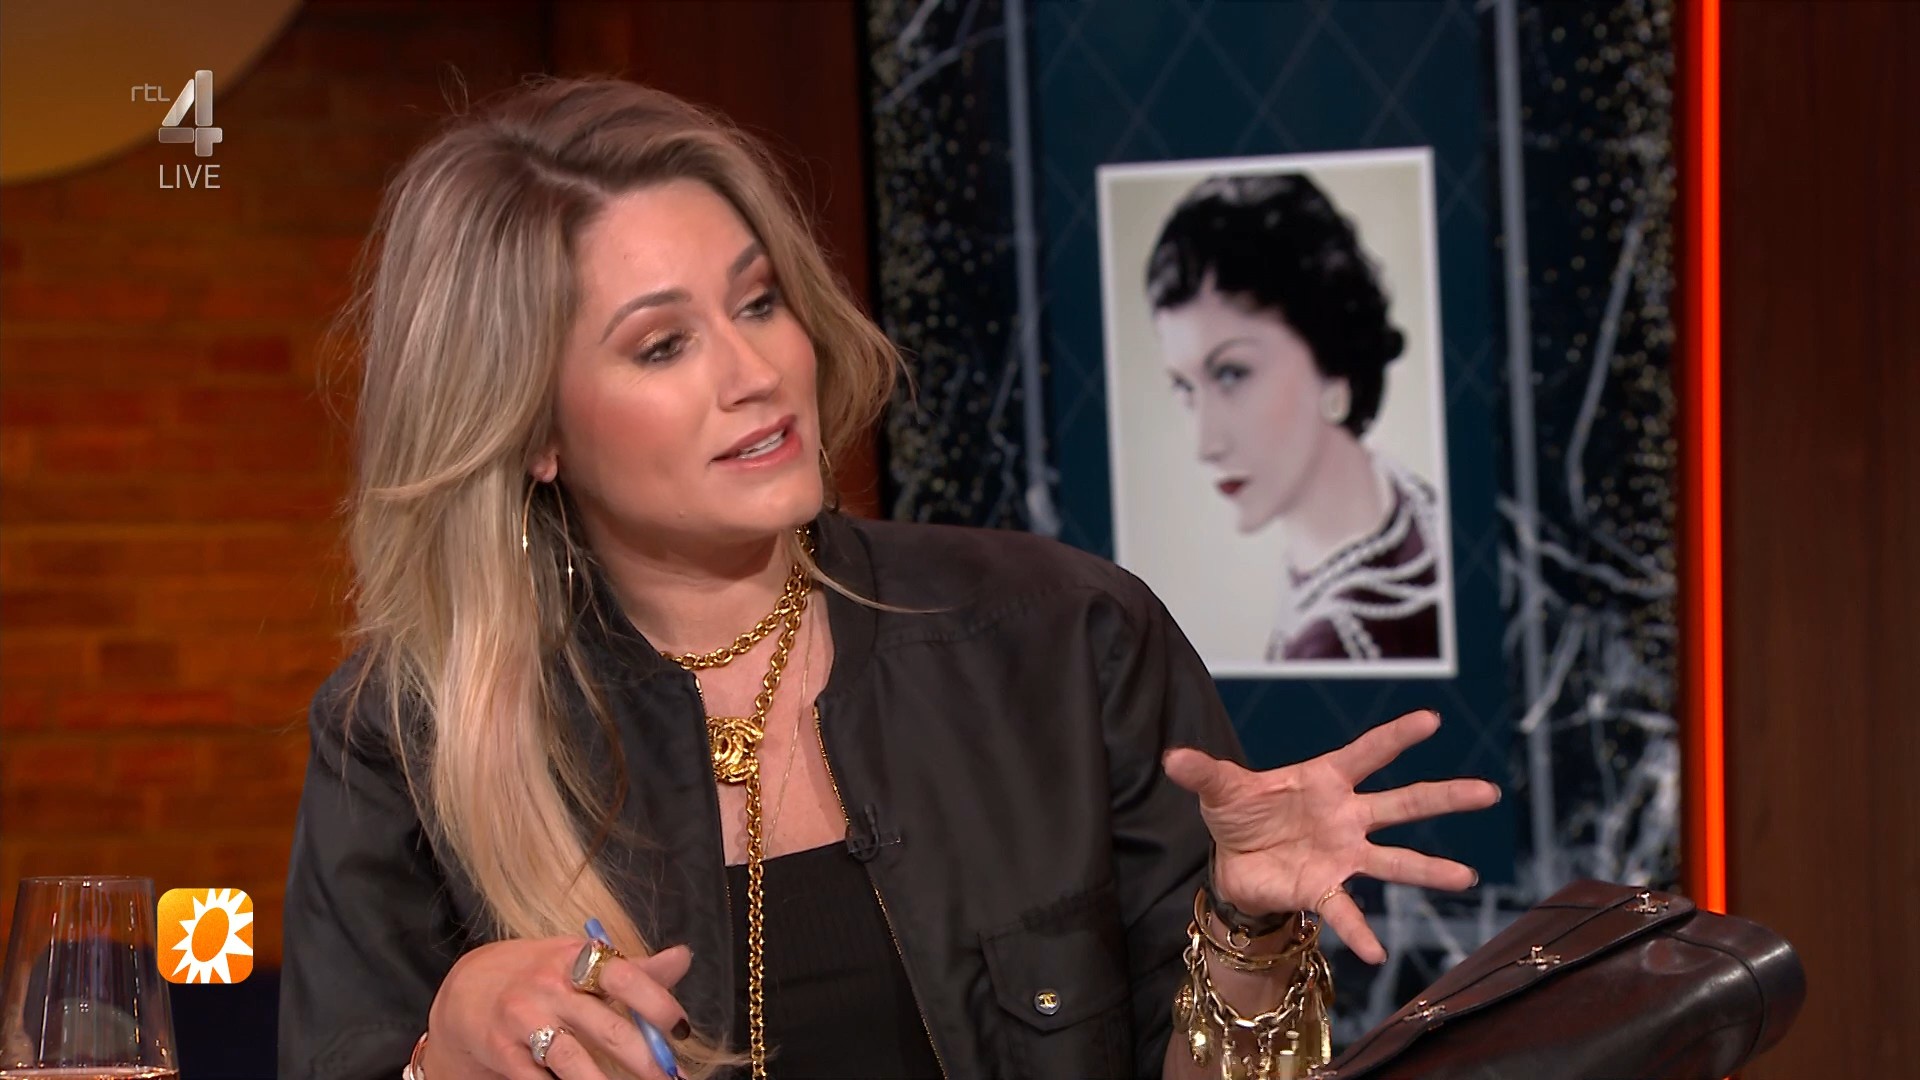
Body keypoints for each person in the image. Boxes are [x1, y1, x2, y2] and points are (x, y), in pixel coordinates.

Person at [278, 77, 1499, 1080]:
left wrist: (1248, 926)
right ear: (533, 430)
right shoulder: (405, 741)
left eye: (759, 301)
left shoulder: (1067, 636)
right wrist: (443, 1059)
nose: (756, 371)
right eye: (662, 345)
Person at [1146, 173, 1449, 666]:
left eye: (1231, 374)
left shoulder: (1332, 650)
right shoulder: (1417, 510)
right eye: (1184, 388)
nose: (1205, 444)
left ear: (1332, 363)